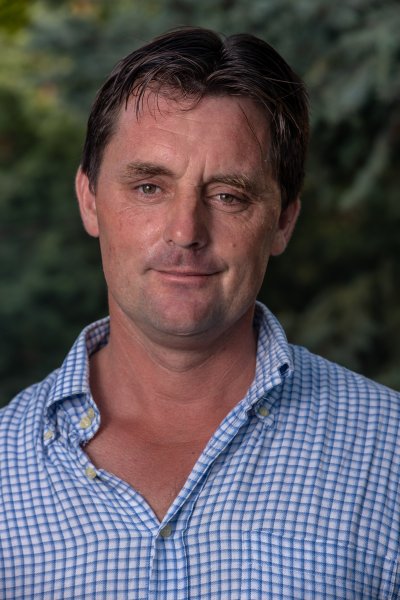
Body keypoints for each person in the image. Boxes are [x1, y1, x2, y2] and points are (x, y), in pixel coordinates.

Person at [1, 26, 399, 599]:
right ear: (89, 199)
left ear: (283, 221)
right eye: (149, 187)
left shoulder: (389, 452)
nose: (186, 231)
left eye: (228, 196)